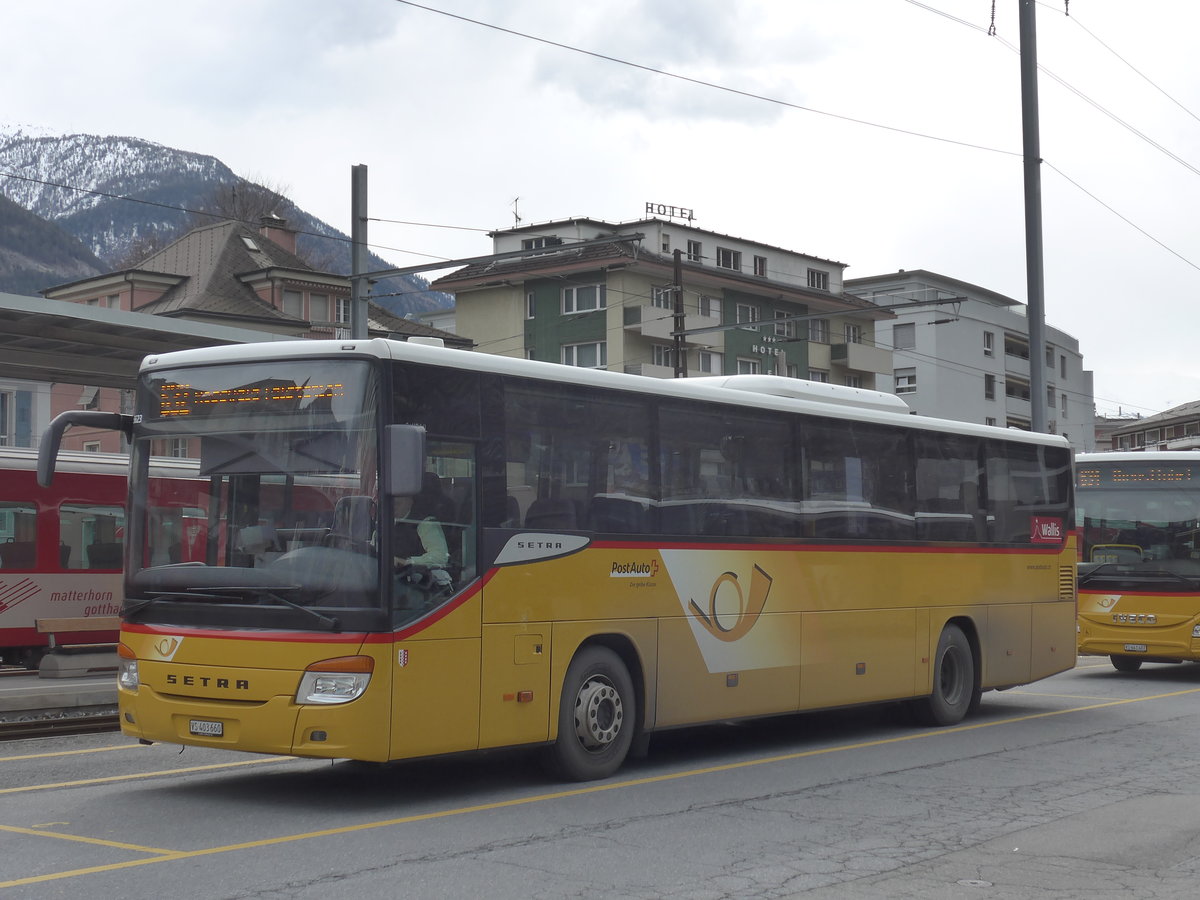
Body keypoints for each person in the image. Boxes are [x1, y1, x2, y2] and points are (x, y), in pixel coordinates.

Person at [393, 473, 452, 606]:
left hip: (418, 588)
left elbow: (441, 556)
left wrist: (407, 562)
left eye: (398, 502)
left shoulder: (426, 523)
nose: (394, 506)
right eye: (391, 502)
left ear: (410, 500)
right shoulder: (383, 524)